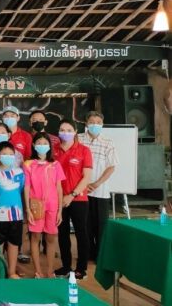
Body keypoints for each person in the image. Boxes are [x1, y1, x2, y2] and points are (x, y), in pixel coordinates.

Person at [54, 119, 93, 279]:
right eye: (62, 130)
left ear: (76, 131)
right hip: (58, 199)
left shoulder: (84, 150)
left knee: (81, 233)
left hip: (78, 199)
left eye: (69, 130)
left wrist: (72, 195)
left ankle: (81, 268)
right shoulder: (53, 150)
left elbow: (86, 177)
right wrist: (60, 197)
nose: (65, 133)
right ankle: (66, 266)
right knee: (62, 234)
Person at [78, 111, 118, 262]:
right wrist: (82, 184)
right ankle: (87, 254)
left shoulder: (108, 142)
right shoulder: (78, 139)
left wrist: (97, 183)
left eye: (98, 123)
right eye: (92, 122)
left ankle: (100, 256)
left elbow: (111, 167)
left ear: (102, 124)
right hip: (81, 190)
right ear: (86, 123)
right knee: (85, 224)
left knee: (101, 226)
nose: (95, 125)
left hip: (101, 191)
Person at [24, 133, 65, 278]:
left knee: (51, 238)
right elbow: (27, 187)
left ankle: (50, 270)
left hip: (52, 206)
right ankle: (38, 271)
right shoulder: (28, 164)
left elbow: (59, 188)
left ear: (49, 146)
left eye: (45, 143)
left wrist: (60, 210)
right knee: (35, 237)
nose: (42, 146)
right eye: (39, 143)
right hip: (36, 205)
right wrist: (28, 209)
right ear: (34, 145)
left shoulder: (55, 164)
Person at [0, 141, 26, 279]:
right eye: (4, 154)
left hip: (16, 216)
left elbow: (22, 191)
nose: (8, 156)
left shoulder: (20, 172)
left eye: (11, 154)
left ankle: (12, 272)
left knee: (14, 244)